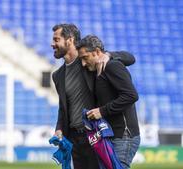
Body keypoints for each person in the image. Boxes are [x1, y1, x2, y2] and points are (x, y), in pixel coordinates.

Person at [51, 24, 135, 169]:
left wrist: (109, 55)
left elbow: (130, 58)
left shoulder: (90, 61)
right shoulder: (57, 75)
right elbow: (63, 107)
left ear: (69, 40)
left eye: (56, 39)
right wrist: (59, 128)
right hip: (74, 139)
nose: (52, 44)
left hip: (95, 135)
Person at [77, 35, 140, 169]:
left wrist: (102, 111)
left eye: (85, 57)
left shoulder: (112, 66)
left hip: (124, 136)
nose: (83, 63)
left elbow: (131, 95)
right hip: (111, 135)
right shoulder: (96, 70)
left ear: (97, 52)